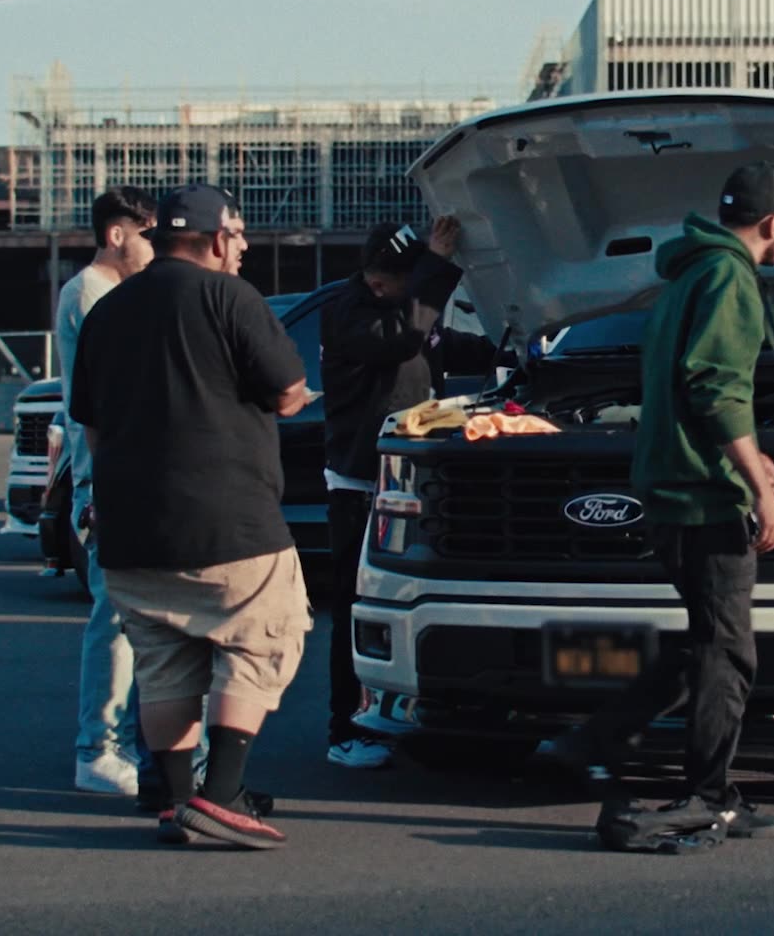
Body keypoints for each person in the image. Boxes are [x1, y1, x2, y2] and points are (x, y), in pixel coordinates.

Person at [545, 161, 774, 854]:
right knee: (728, 651)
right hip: (702, 496)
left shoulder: (688, 274)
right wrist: (759, 487)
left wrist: (748, 457)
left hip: (670, 481)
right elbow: (715, 388)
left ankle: (593, 739)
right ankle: (708, 797)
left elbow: (698, 391)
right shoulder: (729, 278)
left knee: (705, 640)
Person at [69, 183, 316, 849]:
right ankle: (223, 793)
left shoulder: (107, 311)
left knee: (163, 661)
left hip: (130, 529)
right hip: (228, 522)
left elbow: (89, 428)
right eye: (236, 239)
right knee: (266, 635)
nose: (240, 253)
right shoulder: (229, 297)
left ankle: (178, 801)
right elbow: (289, 392)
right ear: (215, 238)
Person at [317, 216, 466, 770]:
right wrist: (438, 265)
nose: (389, 292)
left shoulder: (400, 311)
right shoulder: (351, 314)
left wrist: (511, 347)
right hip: (359, 483)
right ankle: (345, 728)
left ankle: (408, 715)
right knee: (356, 608)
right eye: (395, 285)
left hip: (406, 477)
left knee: (408, 606)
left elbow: (435, 342)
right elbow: (408, 334)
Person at [55, 186, 156, 798]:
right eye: (146, 232)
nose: (153, 245)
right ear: (117, 233)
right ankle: (97, 748)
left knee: (128, 615)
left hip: (112, 470)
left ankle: (109, 743)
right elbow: (104, 398)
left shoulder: (104, 293)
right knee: (114, 616)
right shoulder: (90, 295)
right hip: (105, 475)